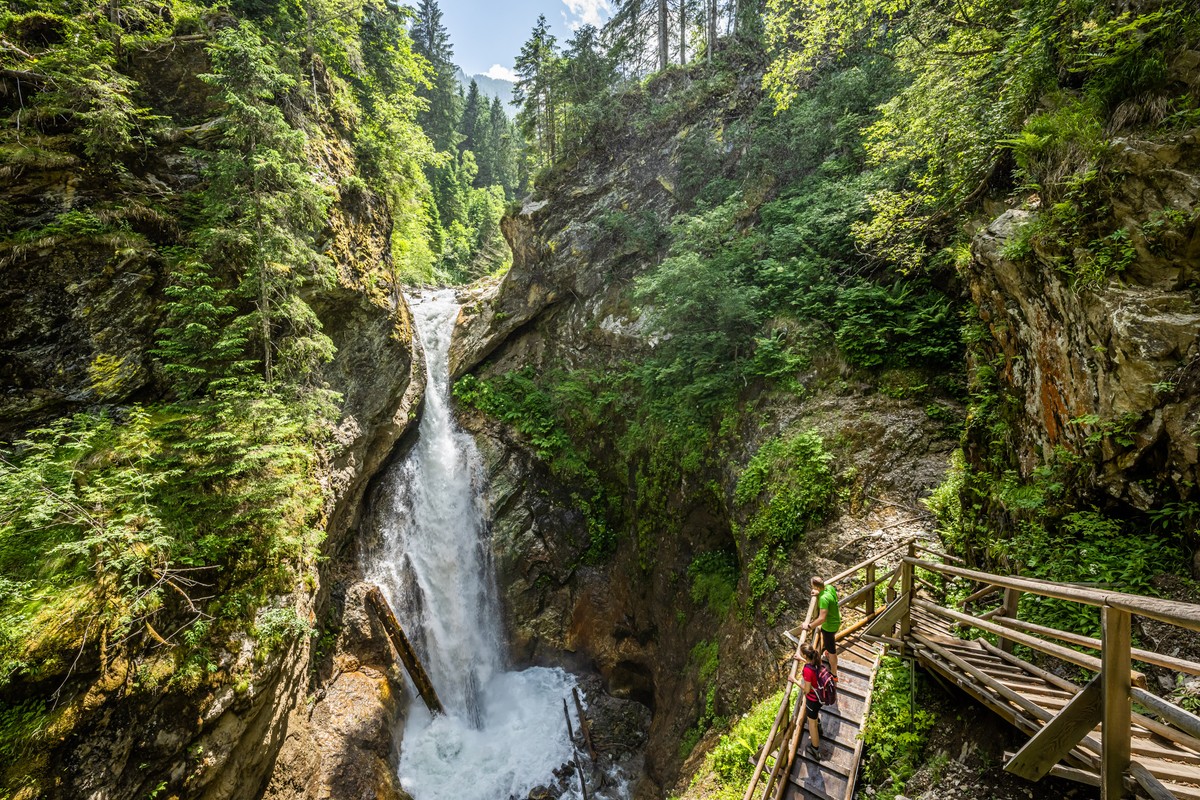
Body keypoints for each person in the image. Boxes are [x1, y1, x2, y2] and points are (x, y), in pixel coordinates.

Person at [800, 576, 840, 681]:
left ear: (816, 587)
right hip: (835, 621)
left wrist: (809, 626)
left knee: (832, 651)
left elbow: (822, 618)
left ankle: (834, 674)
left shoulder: (823, 599)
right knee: (828, 643)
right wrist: (818, 593)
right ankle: (827, 652)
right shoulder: (829, 588)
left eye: (812, 586)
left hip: (829, 626)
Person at [799, 644, 823, 760]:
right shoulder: (817, 661)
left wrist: (795, 681)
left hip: (813, 700)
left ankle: (815, 749)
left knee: (811, 725)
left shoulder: (807, 670)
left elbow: (807, 690)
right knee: (815, 717)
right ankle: (819, 727)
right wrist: (801, 659)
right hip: (820, 697)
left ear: (805, 655)